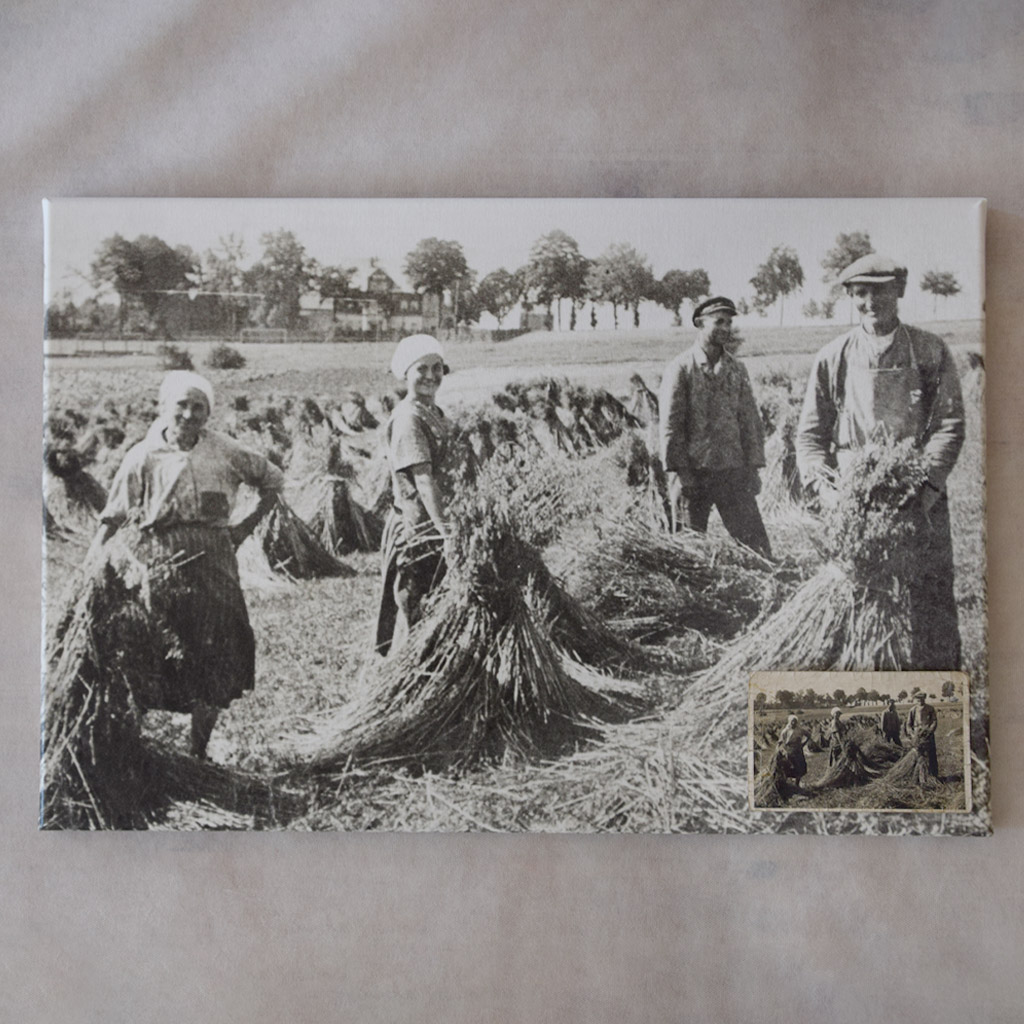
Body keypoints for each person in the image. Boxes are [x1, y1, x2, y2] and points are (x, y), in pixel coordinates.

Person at [95, 370, 285, 759]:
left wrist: (242, 529)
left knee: (216, 652)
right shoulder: (144, 455)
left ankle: (198, 750)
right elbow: (113, 516)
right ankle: (139, 747)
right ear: (165, 408)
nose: (189, 414)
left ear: (208, 413)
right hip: (160, 561)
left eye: (199, 407)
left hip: (215, 561)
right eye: (181, 405)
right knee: (154, 648)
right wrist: (92, 566)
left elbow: (273, 481)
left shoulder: (225, 451)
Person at [795, 254, 966, 669]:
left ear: (900, 292)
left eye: (881, 291)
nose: (872, 302)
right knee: (862, 607)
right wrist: (828, 492)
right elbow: (811, 437)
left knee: (929, 603)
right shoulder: (833, 357)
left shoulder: (929, 351)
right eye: (862, 293)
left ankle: (938, 701)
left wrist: (923, 489)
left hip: (918, 496)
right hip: (855, 504)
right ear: (852, 296)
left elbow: (949, 425)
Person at [658, 296, 771, 557]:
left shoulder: (736, 369)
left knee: (759, 549)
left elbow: (750, 420)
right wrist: (681, 473)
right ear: (700, 323)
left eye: (729, 323)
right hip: (693, 475)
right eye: (718, 321)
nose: (725, 328)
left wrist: (753, 468)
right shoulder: (681, 369)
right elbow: (671, 426)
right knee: (688, 553)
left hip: (732, 472)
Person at [375, 334, 451, 656]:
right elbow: (423, 481)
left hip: (436, 523)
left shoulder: (434, 411)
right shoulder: (408, 418)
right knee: (417, 608)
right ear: (406, 372)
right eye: (422, 369)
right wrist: (448, 533)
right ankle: (411, 671)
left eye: (438, 368)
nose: (431, 376)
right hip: (419, 530)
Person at [906, 692, 939, 780]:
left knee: (931, 755)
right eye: (918, 699)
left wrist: (930, 730)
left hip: (928, 735)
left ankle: (933, 774)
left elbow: (934, 721)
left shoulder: (930, 708)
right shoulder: (913, 710)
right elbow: (908, 725)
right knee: (918, 756)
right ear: (916, 699)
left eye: (921, 698)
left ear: (924, 698)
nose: (920, 700)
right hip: (917, 736)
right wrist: (912, 734)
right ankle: (918, 776)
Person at [776, 714, 809, 790]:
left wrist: (803, 744)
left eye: (795, 721)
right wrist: (781, 751)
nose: (793, 723)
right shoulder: (785, 731)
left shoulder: (800, 730)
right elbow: (780, 742)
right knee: (789, 767)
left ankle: (797, 784)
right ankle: (787, 784)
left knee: (800, 767)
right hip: (789, 751)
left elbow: (808, 735)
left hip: (798, 751)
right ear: (789, 722)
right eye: (792, 721)